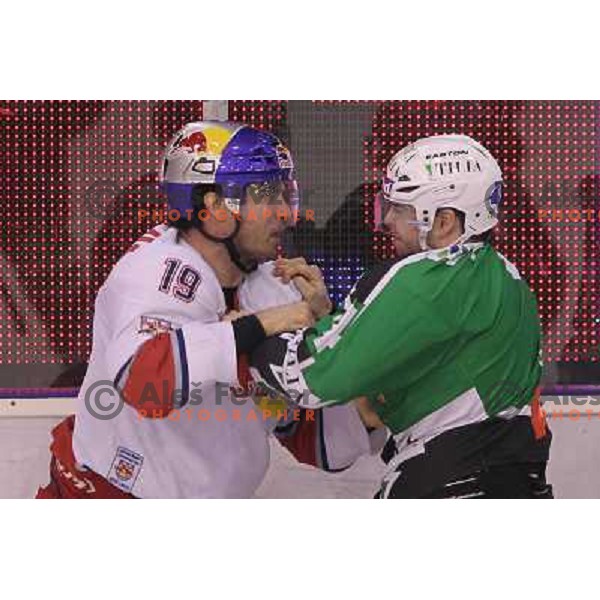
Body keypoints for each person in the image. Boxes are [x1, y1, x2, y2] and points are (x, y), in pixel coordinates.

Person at [36, 121, 376, 499]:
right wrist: (266, 325)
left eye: (285, 195)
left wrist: (331, 335)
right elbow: (146, 383)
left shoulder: (273, 288)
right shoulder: (157, 267)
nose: (285, 213)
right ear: (214, 206)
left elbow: (312, 437)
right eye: (266, 194)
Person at [251, 133, 554, 499]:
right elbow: (397, 370)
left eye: (400, 209)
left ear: (444, 222)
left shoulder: (428, 276)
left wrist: (247, 327)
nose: (387, 221)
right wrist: (324, 318)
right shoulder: (508, 280)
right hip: (517, 482)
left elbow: (310, 379)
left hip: (450, 482)